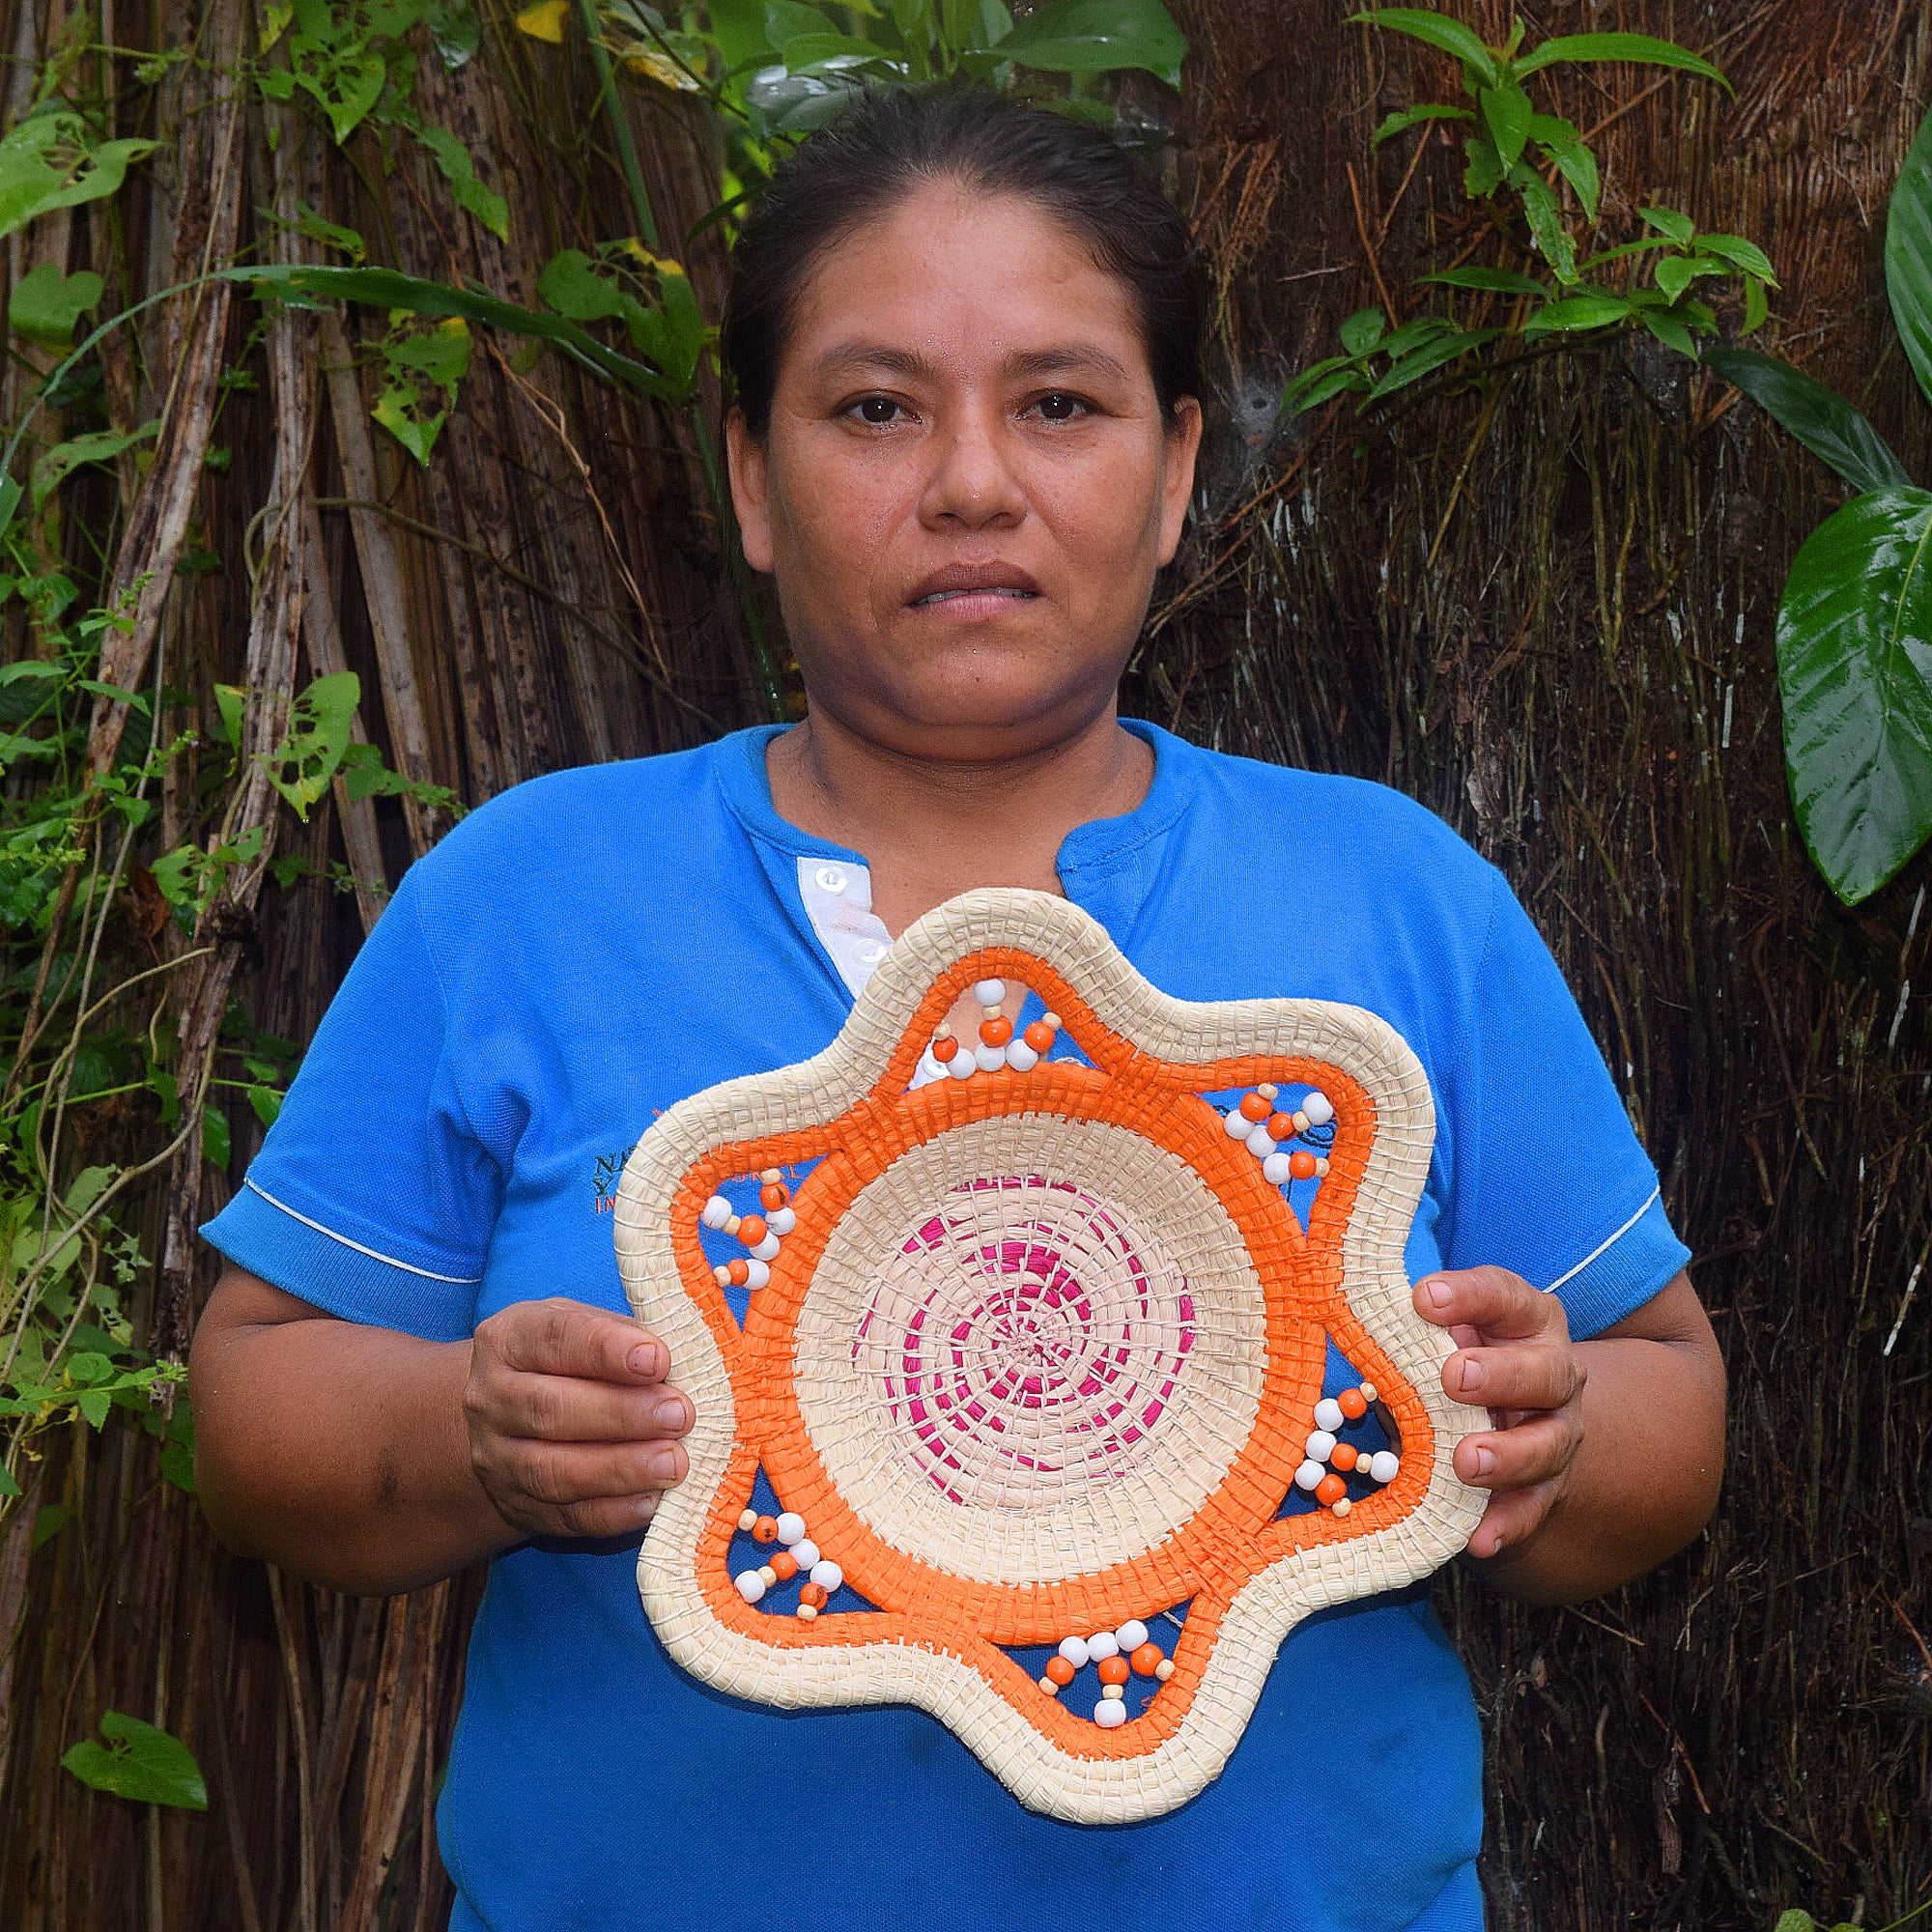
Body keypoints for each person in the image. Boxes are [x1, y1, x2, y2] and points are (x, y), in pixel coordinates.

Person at [190, 86, 1725, 1932]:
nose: (973, 481)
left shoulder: (1390, 902)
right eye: (875, 407)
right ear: (754, 481)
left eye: (1059, 404)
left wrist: (1547, 1438)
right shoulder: (531, 901)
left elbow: (1666, 1390)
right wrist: (470, 1436)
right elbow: (257, 1399)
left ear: (1171, 476)